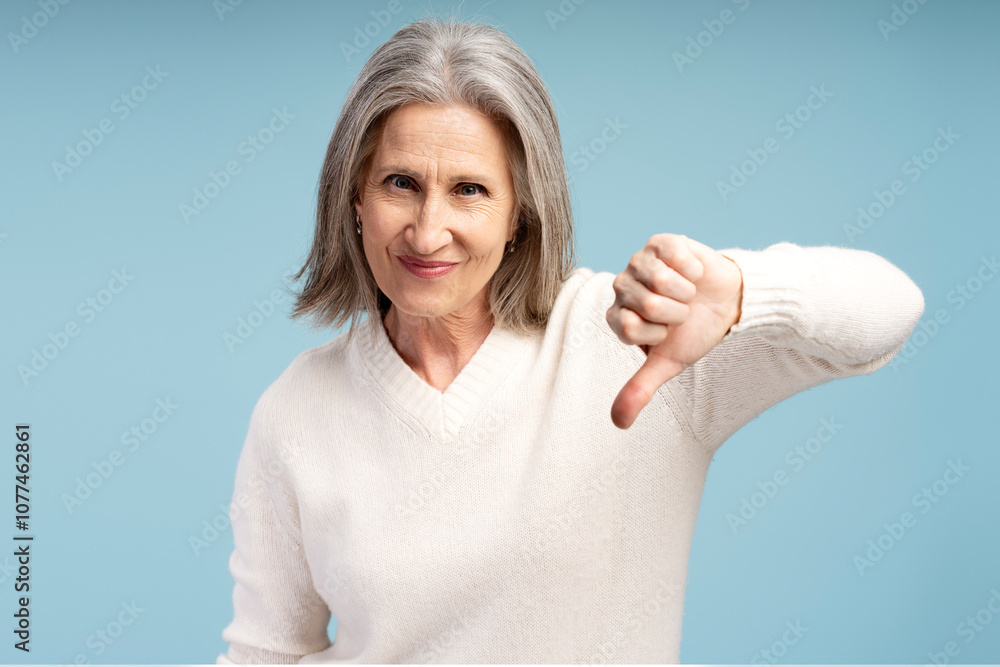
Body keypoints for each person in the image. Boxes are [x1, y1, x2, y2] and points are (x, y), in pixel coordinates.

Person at [216, 17, 924, 664]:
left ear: (521, 214)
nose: (429, 232)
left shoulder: (634, 342)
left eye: (470, 190)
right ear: (355, 198)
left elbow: (889, 308)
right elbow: (263, 653)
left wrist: (742, 290)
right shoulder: (297, 409)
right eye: (401, 183)